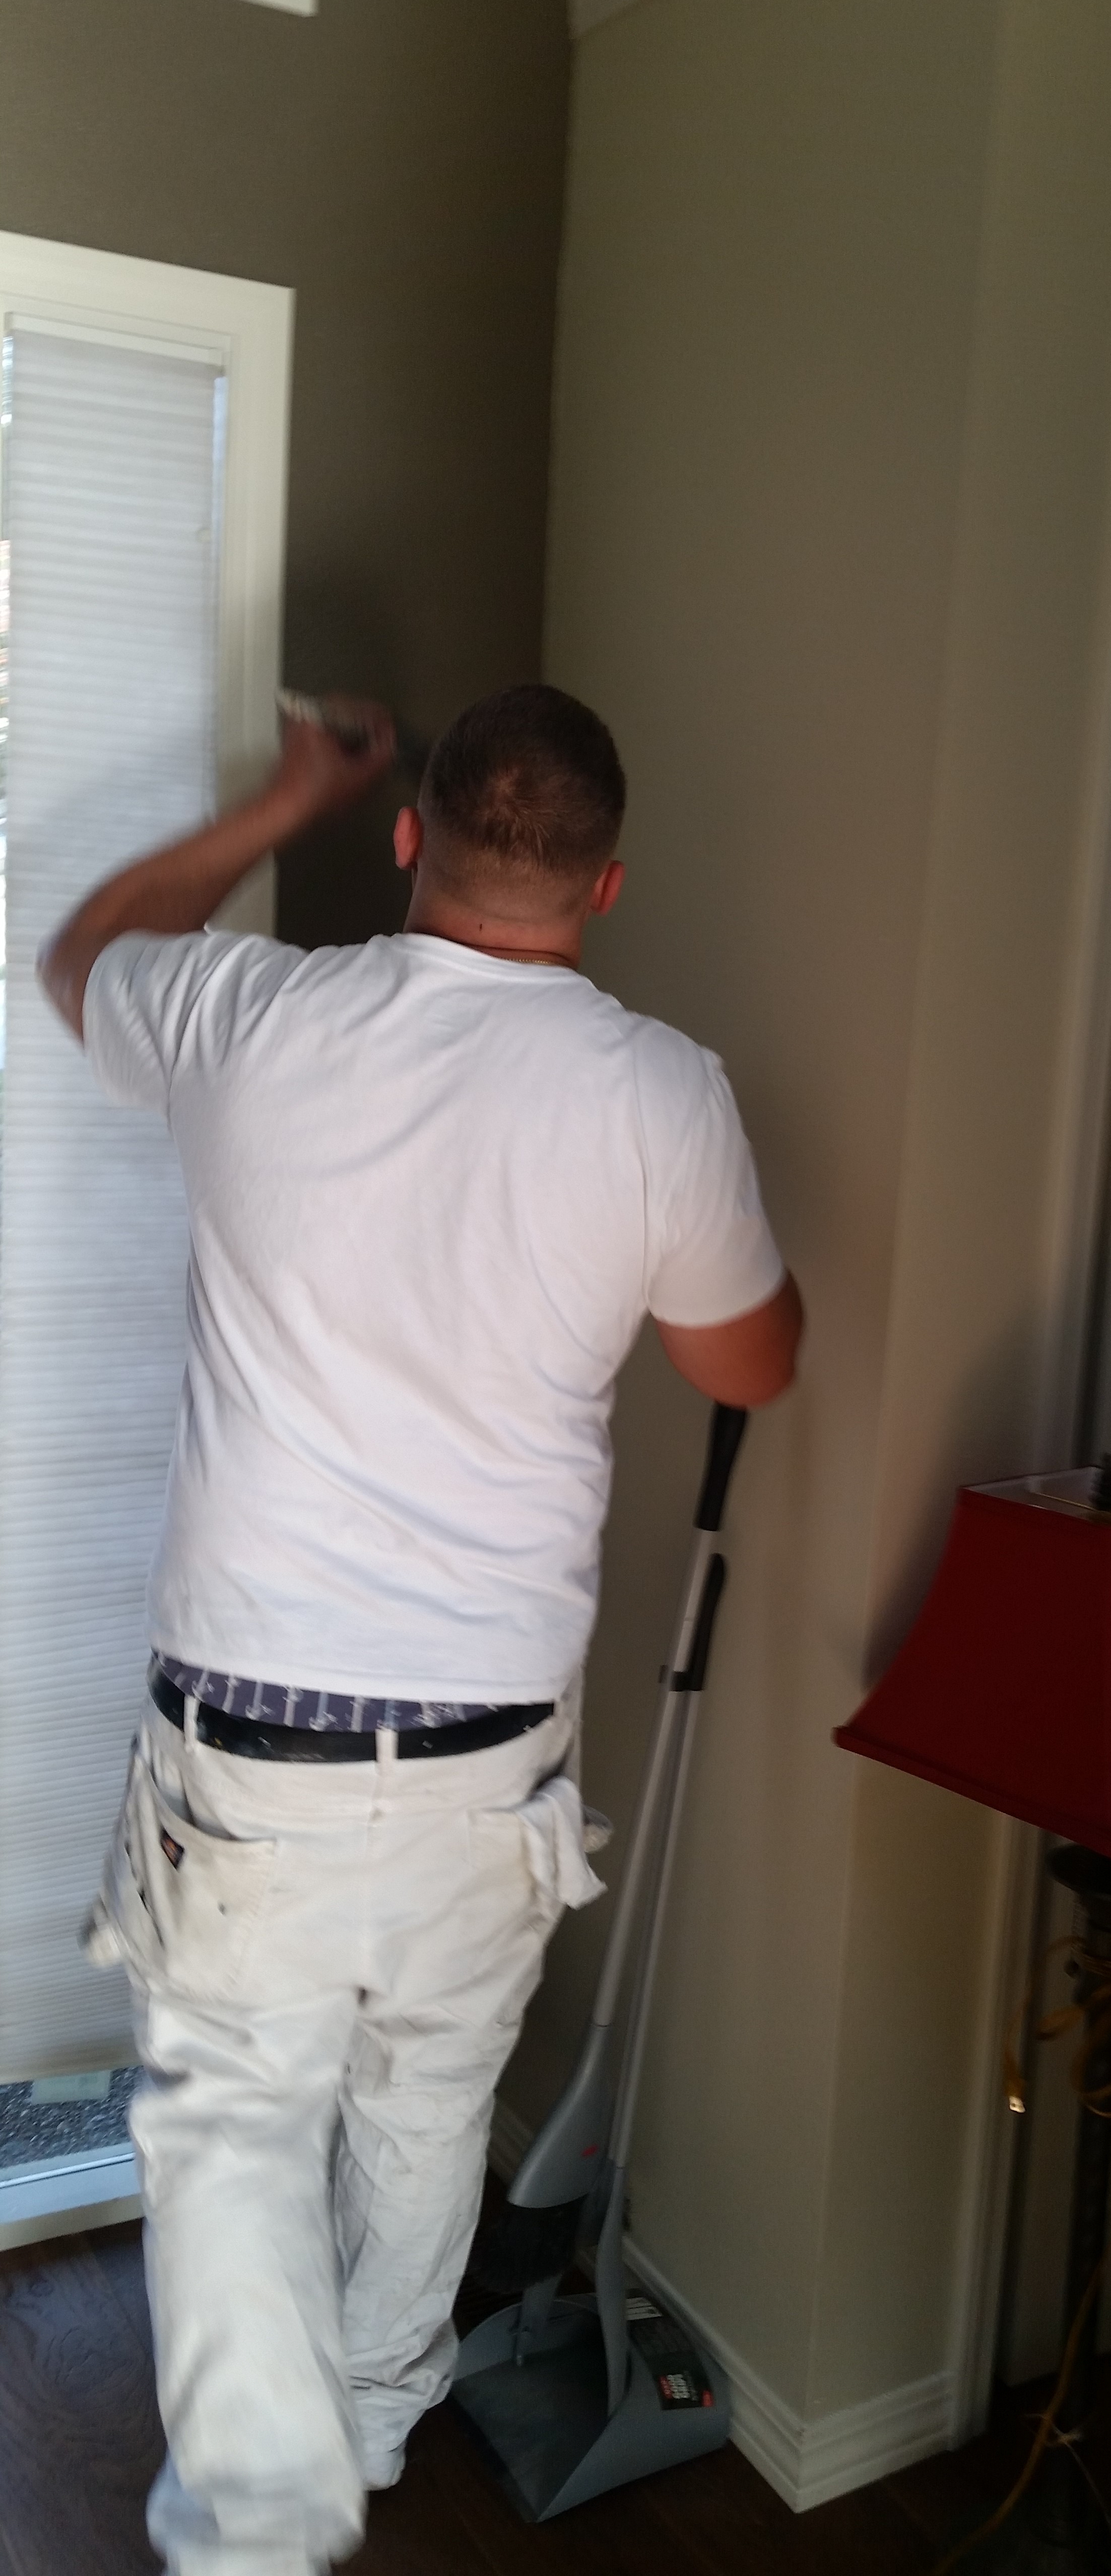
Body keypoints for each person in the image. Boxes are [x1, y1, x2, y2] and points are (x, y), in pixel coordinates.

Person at [38, 683, 802, 2576]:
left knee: (233, 2141)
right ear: (604, 883)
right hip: (488, 1770)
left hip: (252, 1767)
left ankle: (262, 2528)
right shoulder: (661, 1093)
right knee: (425, 2116)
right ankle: (372, 2434)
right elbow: (751, 1365)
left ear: (408, 840)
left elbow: (79, 956)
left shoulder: (252, 1017)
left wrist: (281, 792)